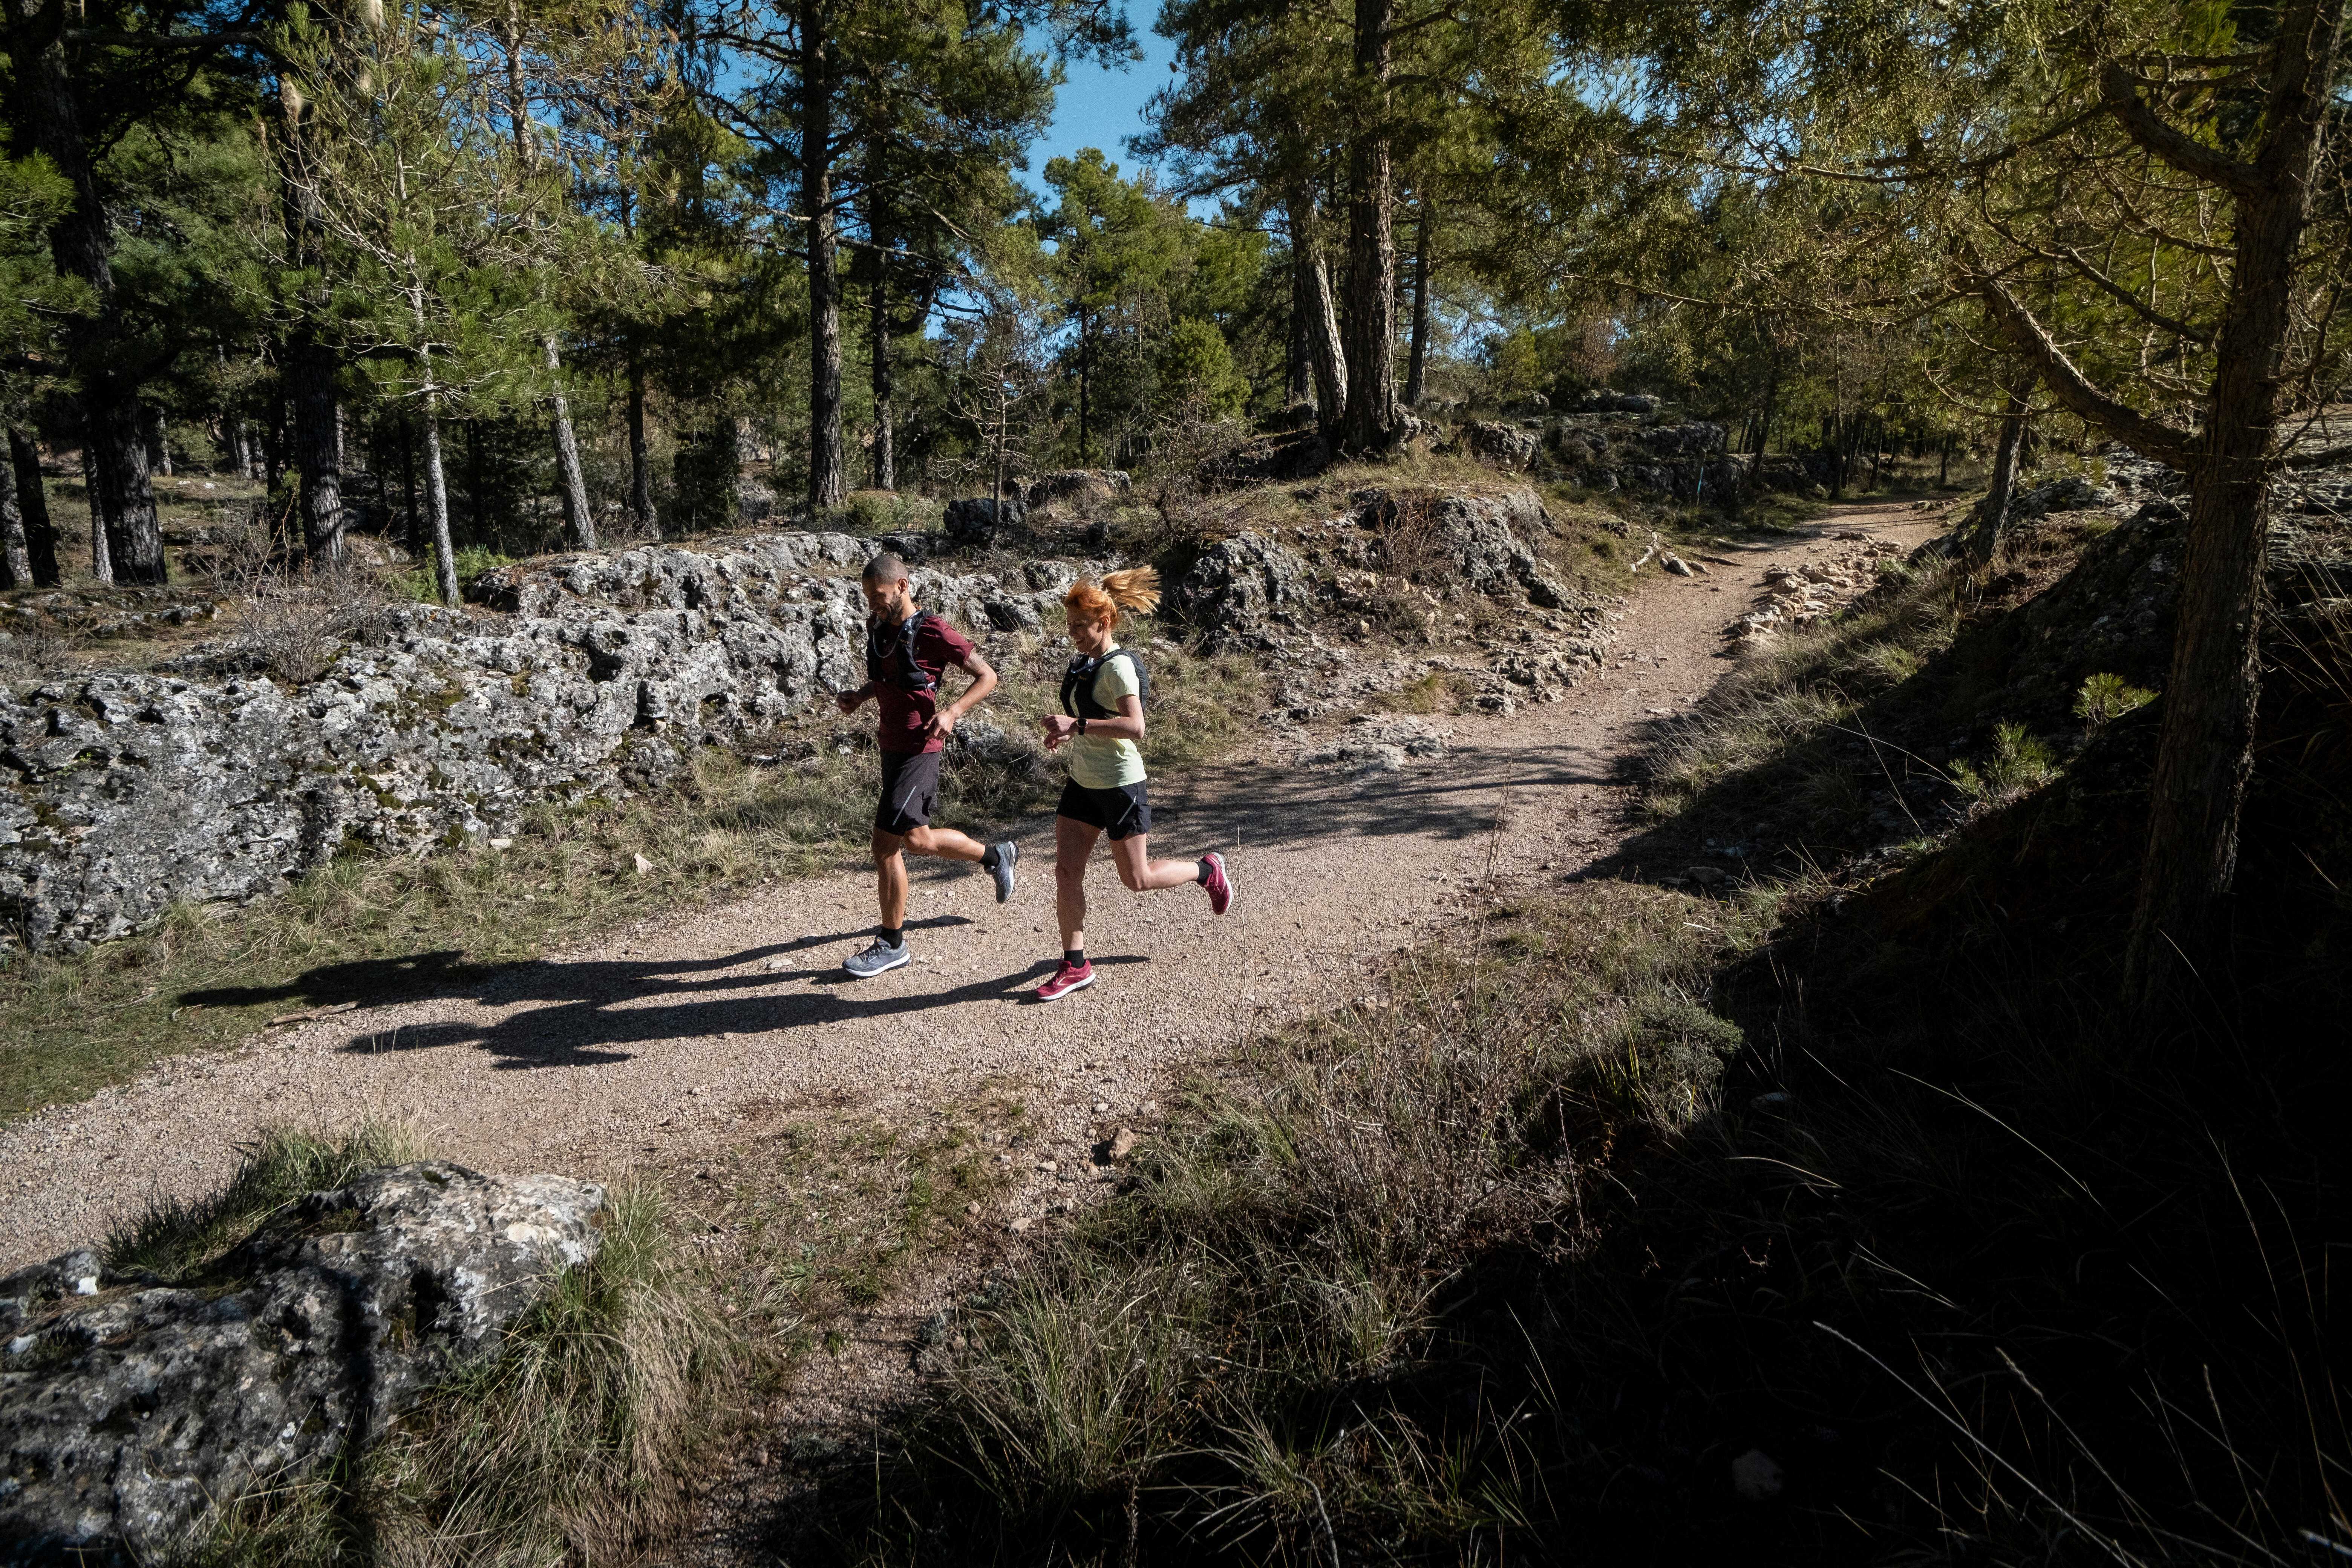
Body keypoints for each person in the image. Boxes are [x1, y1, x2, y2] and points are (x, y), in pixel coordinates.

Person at [1035, 567, 1233, 1000]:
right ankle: (1075, 964)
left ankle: (1207, 871)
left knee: (1137, 879)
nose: (1073, 635)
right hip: (1083, 782)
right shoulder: (1088, 663)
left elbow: (1135, 726)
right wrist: (1068, 732)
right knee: (1066, 871)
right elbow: (1089, 722)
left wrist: (1080, 724)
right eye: (1069, 626)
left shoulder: (1120, 667)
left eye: (1079, 626)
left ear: (1103, 623)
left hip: (1121, 785)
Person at [835, 552, 1018, 978]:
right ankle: (996, 855)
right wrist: (860, 697)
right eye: (867, 598)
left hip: (921, 749)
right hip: (890, 746)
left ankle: (892, 942)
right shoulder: (879, 628)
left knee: (885, 846)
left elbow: (987, 676)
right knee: (916, 840)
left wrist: (952, 712)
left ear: (902, 585)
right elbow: (889, 680)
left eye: (878, 596)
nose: (873, 605)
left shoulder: (932, 630)